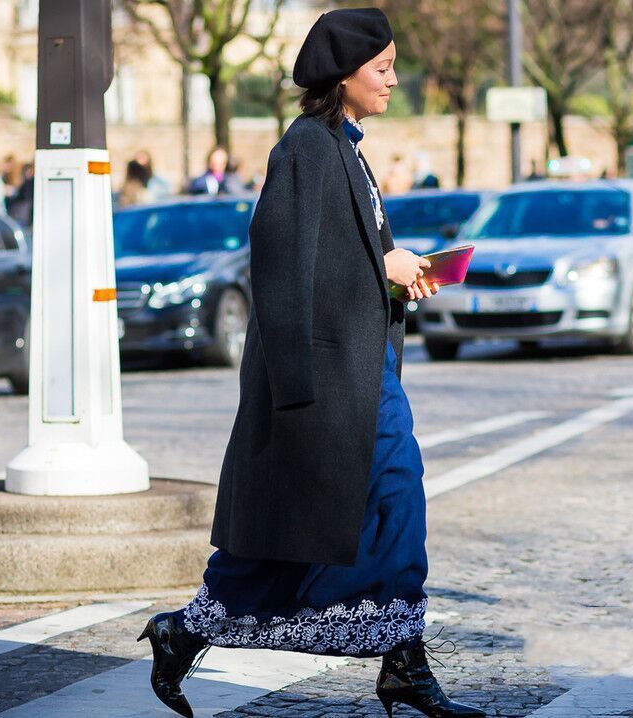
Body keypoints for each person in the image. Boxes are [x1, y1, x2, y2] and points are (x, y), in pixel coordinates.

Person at [138, 9, 484, 718]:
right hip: (327, 379)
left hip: (362, 369)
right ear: (343, 74)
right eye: (382, 68)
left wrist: (396, 270)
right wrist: (297, 393)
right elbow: (282, 267)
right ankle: (193, 630)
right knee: (329, 519)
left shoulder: (344, 148)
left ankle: (398, 661)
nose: (393, 80)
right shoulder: (305, 148)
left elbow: (345, 259)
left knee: (374, 509)